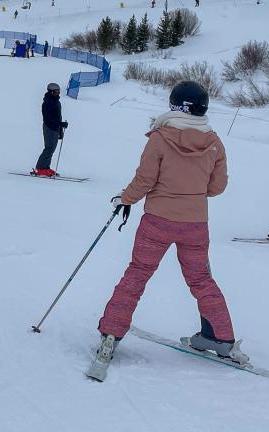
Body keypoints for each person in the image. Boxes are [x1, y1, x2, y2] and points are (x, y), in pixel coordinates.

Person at [93, 81, 247, 367]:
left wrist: (125, 199)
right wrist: (193, 192)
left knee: (138, 273)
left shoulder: (160, 137)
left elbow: (145, 180)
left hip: (158, 221)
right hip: (195, 224)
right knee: (201, 280)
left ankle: (112, 332)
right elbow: (217, 187)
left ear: (176, 106)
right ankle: (221, 338)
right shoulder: (214, 141)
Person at [32, 82, 67, 176]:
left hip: (55, 127)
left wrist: (60, 128)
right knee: (49, 148)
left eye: (59, 91)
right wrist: (60, 123)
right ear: (51, 92)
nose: (58, 93)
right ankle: (40, 168)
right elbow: (49, 118)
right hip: (49, 127)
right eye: (56, 91)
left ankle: (46, 167)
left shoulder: (56, 101)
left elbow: (57, 116)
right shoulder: (48, 102)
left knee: (52, 148)